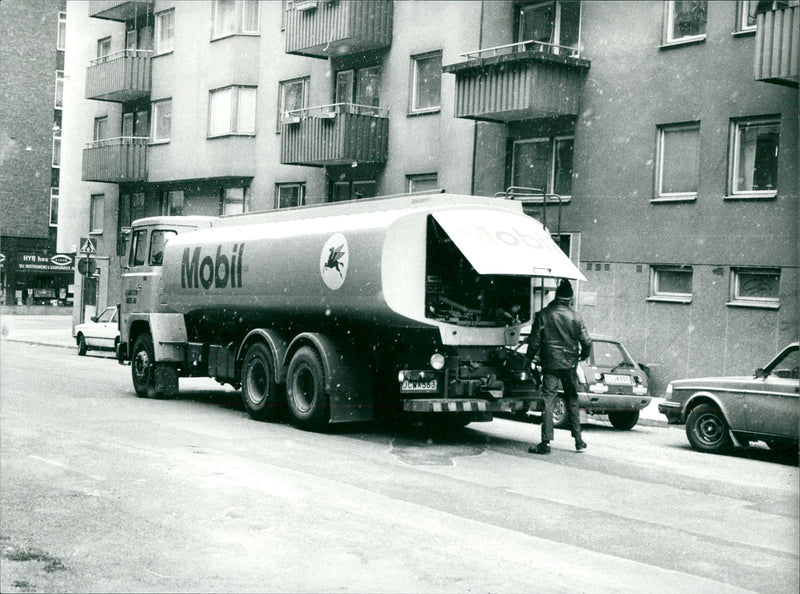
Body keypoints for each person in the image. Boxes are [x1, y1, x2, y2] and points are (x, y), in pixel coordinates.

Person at [525, 279, 592, 454]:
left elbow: (534, 342)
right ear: (570, 299)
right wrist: (582, 355)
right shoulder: (576, 317)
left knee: (548, 400)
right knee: (572, 399)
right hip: (570, 364)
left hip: (550, 364)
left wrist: (528, 360)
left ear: (556, 296)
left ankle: (545, 443)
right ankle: (578, 440)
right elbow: (587, 342)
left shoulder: (543, 315)